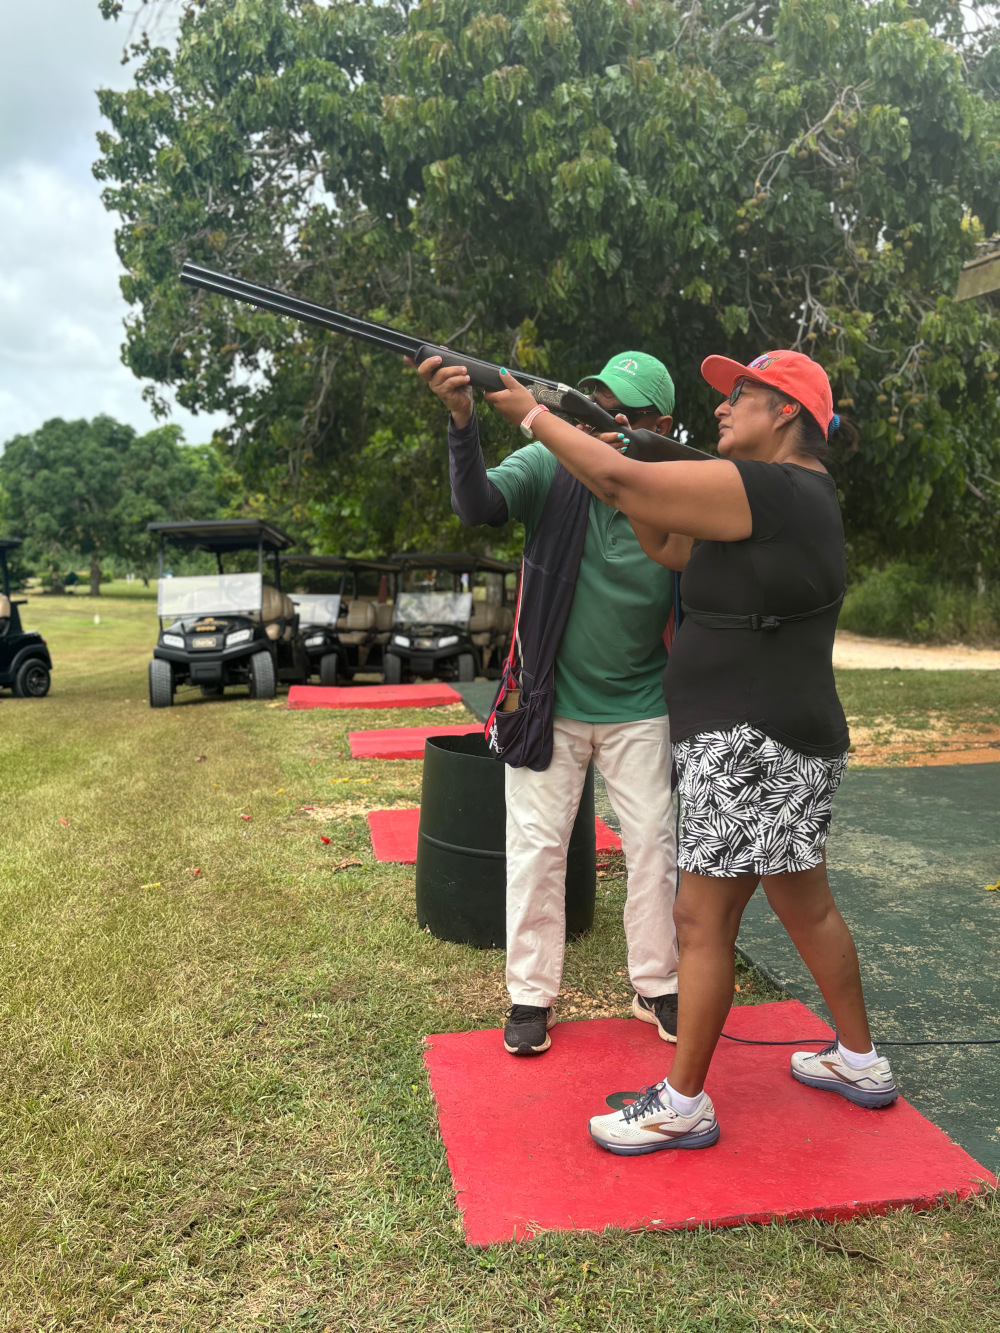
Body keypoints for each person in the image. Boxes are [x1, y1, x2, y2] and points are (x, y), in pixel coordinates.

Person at [483, 349, 897, 1146]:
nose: (723, 404)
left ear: (787, 411)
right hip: (784, 731)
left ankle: (683, 1103)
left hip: (748, 740)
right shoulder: (782, 498)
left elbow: (620, 485)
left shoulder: (772, 488)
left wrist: (538, 418)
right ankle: (859, 1057)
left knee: (700, 919)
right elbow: (668, 547)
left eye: (742, 392)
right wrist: (631, 449)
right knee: (803, 903)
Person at [414, 350, 691, 1057]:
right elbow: (476, 505)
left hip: (642, 701)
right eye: (593, 399)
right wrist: (461, 417)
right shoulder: (549, 466)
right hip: (551, 701)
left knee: (656, 845)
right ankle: (531, 996)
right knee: (537, 850)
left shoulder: (674, 488)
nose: (601, 415)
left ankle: (656, 983)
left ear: (658, 425)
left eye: (620, 409)